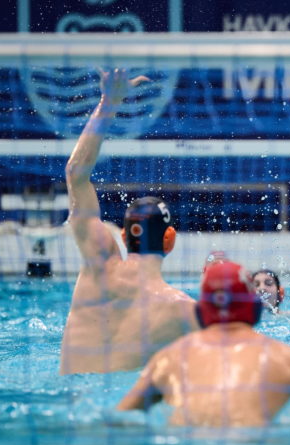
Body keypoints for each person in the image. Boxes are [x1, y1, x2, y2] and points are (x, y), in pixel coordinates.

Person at [60, 69, 199, 374]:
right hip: (123, 402)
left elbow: (75, 173)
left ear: (123, 236)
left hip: (68, 396)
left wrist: (109, 103)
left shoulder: (98, 264)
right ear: (169, 239)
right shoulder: (182, 309)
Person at [117, 260, 290, 426]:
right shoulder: (289, 360)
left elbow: (118, 420)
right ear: (254, 307)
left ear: (201, 310)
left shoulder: (168, 359)